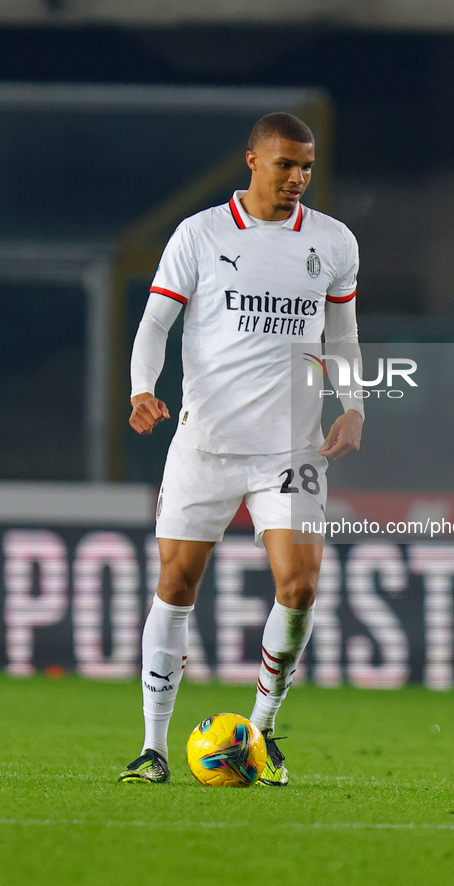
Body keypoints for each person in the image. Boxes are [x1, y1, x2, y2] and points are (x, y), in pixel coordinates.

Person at [118, 112, 363, 787]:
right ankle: (153, 747)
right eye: (285, 164)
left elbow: (340, 335)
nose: (297, 178)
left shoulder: (333, 242)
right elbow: (155, 321)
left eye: (306, 166)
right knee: (174, 586)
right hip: (206, 441)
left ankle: (262, 726)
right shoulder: (198, 234)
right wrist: (143, 389)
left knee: (301, 584)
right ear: (252, 161)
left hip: (292, 446)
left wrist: (354, 406)